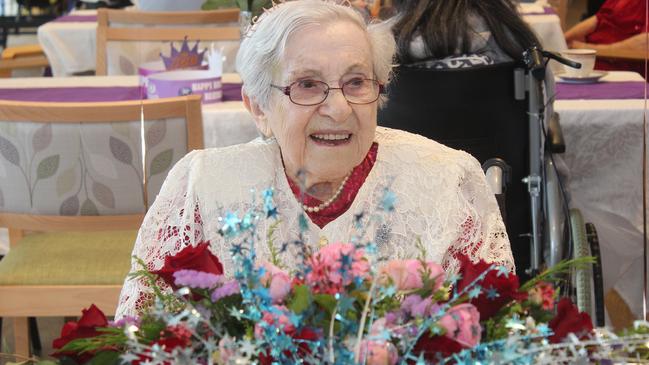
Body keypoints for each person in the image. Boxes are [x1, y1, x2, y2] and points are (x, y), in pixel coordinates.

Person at [115, 0, 513, 318]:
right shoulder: (201, 187)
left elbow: (497, 326)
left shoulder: (447, 178)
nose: (339, 109)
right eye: (307, 85)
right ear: (258, 107)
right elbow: (143, 332)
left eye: (356, 82)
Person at [390, 0, 541, 68]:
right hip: (500, 131)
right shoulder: (512, 36)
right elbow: (541, 112)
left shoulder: (384, 49)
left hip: (409, 131)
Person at [564, 0, 646, 75]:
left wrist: (587, 49)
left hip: (616, 65)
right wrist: (563, 39)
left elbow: (645, 44)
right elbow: (600, 18)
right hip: (592, 57)